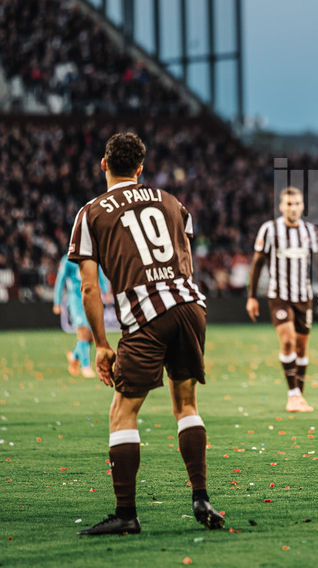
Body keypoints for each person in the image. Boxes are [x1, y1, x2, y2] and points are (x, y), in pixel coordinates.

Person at [68, 132, 224, 535]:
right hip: (190, 306)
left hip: (146, 313)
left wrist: (102, 345)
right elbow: (186, 258)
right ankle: (201, 497)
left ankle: (126, 514)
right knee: (186, 404)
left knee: (123, 411)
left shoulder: (91, 212)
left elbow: (89, 288)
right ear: (140, 168)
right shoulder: (171, 202)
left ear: (104, 165)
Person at [247, 187, 318, 412]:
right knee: (288, 341)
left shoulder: (310, 231)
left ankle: (299, 396)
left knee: (301, 347)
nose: (293, 208)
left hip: (303, 296)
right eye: (289, 204)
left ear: (302, 206)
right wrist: (251, 297)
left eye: (297, 203)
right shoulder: (269, 229)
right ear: (281, 207)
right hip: (279, 296)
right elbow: (257, 263)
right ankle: (293, 394)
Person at [53, 252, 110, 378]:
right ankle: (86, 367)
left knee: (91, 335)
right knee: (83, 330)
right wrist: (57, 302)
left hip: (91, 298)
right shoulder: (67, 259)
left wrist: (106, 291)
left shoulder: (92, 256)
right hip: (76, 300)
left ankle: (74, 356)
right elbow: (60, 280)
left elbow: (100, 275)